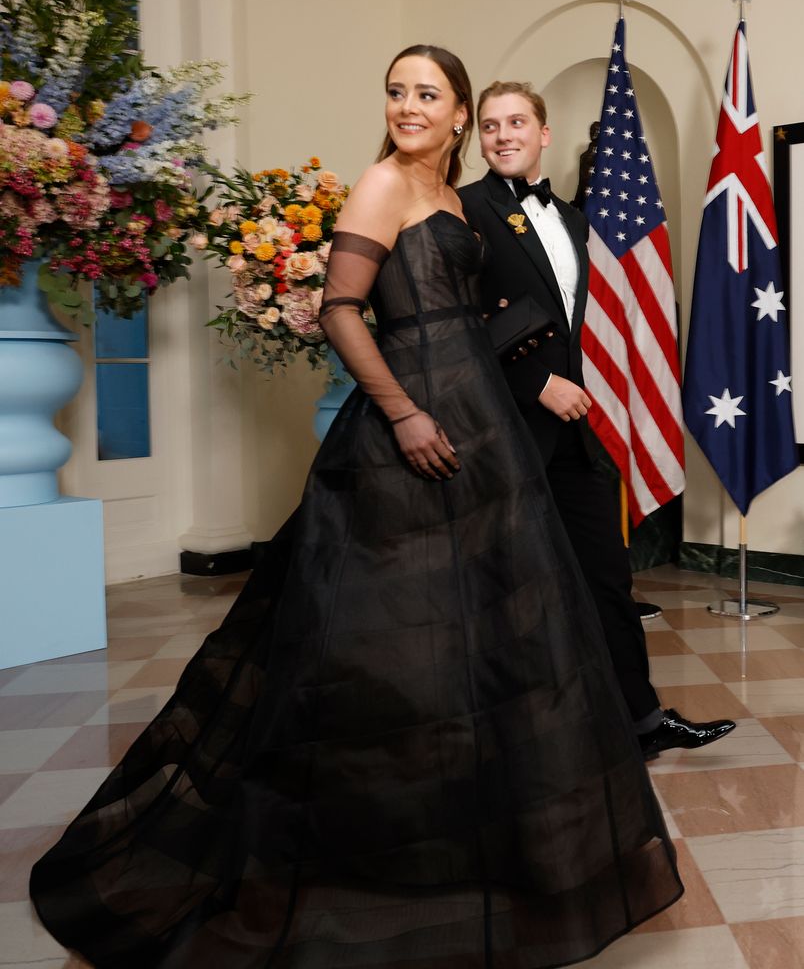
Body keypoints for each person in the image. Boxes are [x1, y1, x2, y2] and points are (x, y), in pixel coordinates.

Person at [30, 48, 682, 969]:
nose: (409, 106)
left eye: (429, 94)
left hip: (481, 427)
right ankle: (362, 840)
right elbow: (342, 309)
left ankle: (473, 841)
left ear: (458, 116)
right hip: (409, 426)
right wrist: (405, 410)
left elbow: (480, 312)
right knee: (380, 644)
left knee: (484, 639)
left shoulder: (456, 198)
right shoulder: (380, 183)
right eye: (396, 91)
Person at [459, 81, 736, 760]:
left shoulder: (579, 221)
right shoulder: (462, 210)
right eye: (491, 126)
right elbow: (449, 323)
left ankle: (641, 723)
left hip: (580, 431)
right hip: (507, 430)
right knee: (503, 590)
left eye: (517, 122)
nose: (503, 135)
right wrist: (533, 382)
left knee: (607, 579)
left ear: (543, 133)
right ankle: (506, 738)